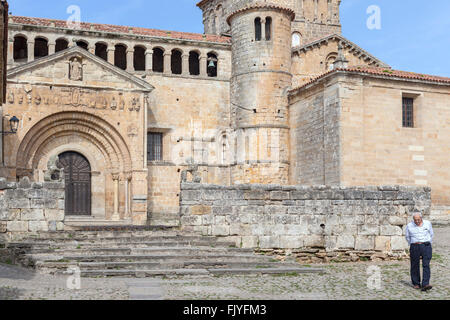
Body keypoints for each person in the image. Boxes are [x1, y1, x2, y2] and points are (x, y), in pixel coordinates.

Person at [405, 212, 434, 291]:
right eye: (415, 220)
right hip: (415, 246)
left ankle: (425, 283)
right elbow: (407, 237)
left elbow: (431, 234)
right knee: (414, 265)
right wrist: (413, 243)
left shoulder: (428, 224)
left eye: (418, 219)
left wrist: (427, 243)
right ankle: (416, 283)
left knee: (426, 264)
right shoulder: (409, 226)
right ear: (413, 219)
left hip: (426, 245)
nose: (417, 221)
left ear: (421, 218)